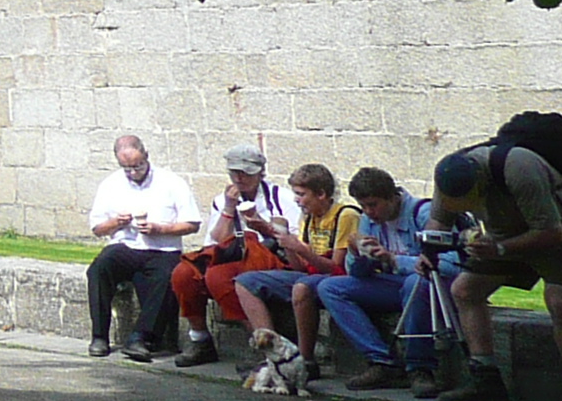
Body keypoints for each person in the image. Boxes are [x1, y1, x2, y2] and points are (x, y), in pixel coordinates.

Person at [428, 133, 562, 401]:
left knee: (561, 300)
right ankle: (485, 377)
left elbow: (550, 232)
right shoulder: (447, 175)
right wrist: (428, 251)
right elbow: (439, 222)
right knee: (465, 290)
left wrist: (500, 248)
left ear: (481, 183)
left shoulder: (520, 169)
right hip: (504, 237)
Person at [313, 168, 448, 398]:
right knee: (330, 287)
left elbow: (448, 263)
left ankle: (420, 367)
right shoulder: (368, 220)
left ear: (392, 197)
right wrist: (356, 253)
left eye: (373, 205)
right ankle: (382, 361)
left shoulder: (423, 214)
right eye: (363, 206)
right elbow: (357, 274)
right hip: (393, 285)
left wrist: (394, 259)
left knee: (415, 281)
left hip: (429, 287)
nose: (368, 212)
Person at [221, 162, 361, 372]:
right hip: (311, 274)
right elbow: (300, 267)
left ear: (321, 194)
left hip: (335, 279)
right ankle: (271, 351)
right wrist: (281, 239)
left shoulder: (346, 215)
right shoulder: (308, 216)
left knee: (301, 287)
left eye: (301, 194)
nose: (296, 200)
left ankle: (304, 360)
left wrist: (301, 249)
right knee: (246, 282)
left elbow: (336, 268)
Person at [167, 146, 295, 365]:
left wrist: (262, 224)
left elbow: (291, 238)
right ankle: (200, 338)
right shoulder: (223, 199)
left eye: (246, 173)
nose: (239, 177)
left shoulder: (280, 197)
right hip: (234, 255)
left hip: (270, 256)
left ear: (260, 173)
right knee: (184, 273)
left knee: (219, 276)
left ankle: (265, 341)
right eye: (235, 172)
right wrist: (229, 208)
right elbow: (216, 241)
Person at [84, 133, 201, 361]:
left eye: (137, 166)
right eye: (127, 168)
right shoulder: (111, 184)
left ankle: (141, 338)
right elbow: (97, 228)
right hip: (126, 246)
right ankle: (99, 336)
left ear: (146, 156)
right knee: (99, 268)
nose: (133, 173)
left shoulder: (171, 182)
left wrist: (160, 229)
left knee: (168, 277)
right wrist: (116, 222)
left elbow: (192, 224)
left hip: (162, 248)